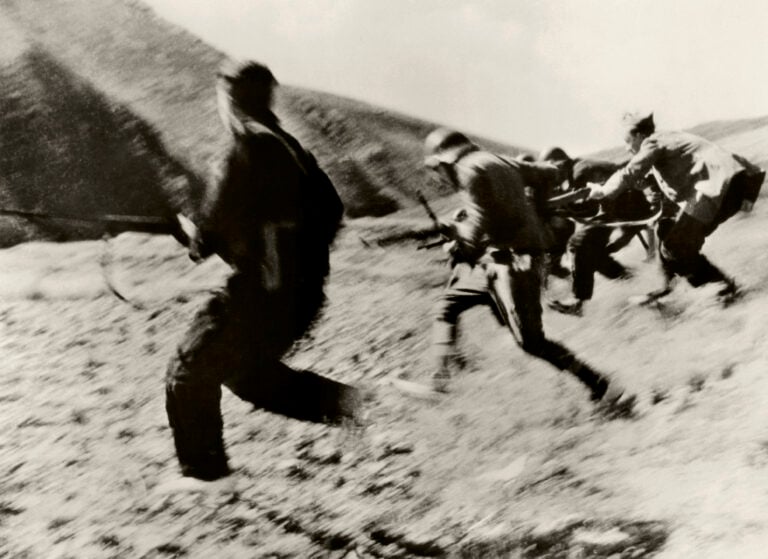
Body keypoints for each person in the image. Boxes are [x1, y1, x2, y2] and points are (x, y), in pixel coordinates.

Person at [162, 60, 361, 491]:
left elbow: (208, 234)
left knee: (189, 366)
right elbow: (332, 211)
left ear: (227, 98)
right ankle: (356, 406)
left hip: (261, 294)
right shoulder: (293, 148)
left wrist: (191, 233)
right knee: (246, 375)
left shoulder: (245, 147)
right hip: (301, 295)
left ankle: (206, 475)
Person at [423, 127, 634, 415]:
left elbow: (479, 224)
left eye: (439, 169)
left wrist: (460, 243)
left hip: (514, 262)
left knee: (532, 342)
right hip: (502, 262)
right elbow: (550, 173)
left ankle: (602, 386)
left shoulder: (467, 171)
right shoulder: (497, 160)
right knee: (448, 304)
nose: (442, 176)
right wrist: (533, 210)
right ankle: (439, 381)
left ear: (445, 160)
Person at [589, 112, 764, 305]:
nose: (626, 147)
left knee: (676, 248)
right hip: (734, 183)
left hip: (714, 187)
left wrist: (603, 191)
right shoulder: (671, 137)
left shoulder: (652, 142)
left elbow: (630, 171)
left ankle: (726, 293)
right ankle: (671, 289)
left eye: (627, 141)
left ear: (639, 135)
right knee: (668, 232)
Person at [545, 152, 656, 316]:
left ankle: (578, 302)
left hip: (625, 206)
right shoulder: (579, 168)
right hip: (626, 206)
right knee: (595, 255)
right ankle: (638, 283)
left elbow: (595, 199)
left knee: (577, 244)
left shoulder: (580, 171)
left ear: (559, 164)